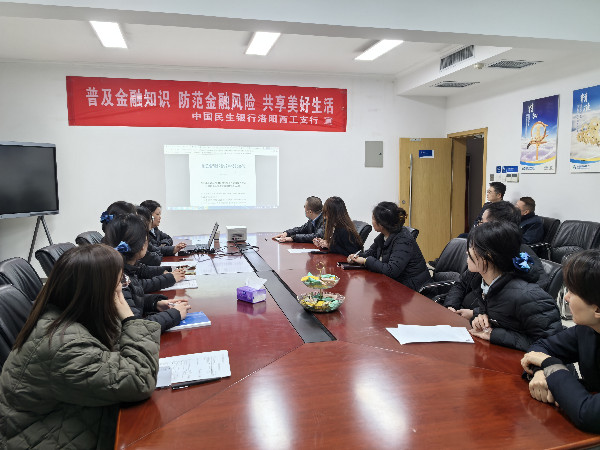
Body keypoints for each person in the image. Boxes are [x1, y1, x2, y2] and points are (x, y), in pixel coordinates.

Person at [0, 244, 160, 448]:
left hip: (73, 422)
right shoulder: (64, 345)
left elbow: (116, 351)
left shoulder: (71, 316)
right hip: (52, 439)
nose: (122, 288)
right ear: (98, 292)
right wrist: (129, 318)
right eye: (120, 282)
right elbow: (138, 380)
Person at [521, 249, 600, 434]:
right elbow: (541, 348)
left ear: (597, 309)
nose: (566, 297)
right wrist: (540, 373)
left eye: (572, 292)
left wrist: (551, 365)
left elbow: (588, 414)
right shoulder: (587, 329)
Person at [459, 221, 562, 351]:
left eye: (472, 247)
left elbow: (552, 345)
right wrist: (481, 320)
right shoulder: (486, 284)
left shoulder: (528, 296)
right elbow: (504, 320)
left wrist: (494, 334)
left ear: (487, 256)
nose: (467, 252)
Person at [444, 200, 547, 311]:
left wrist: (477, 313)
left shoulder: (522, 260)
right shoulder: (483, 250)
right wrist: (451, 306)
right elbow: (461, 284)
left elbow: (523, 304)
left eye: (482, 223)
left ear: (496, 227)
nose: (477, 227)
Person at [102, 214, 190, 332]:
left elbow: (133, 298)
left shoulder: (120, 267)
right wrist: (174, 314)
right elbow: (136, 329)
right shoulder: (119, 278)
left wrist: (154, 303)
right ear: (143, 245)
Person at [347, 202, 431, 291]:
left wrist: (365, 261)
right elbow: (371, 252)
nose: (372, 221)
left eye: (373, 218)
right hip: (396, 283)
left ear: (382, 224)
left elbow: (391, 270)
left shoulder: (403, 240)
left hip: (414, 289)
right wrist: (356, 257)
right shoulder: (384, 235)